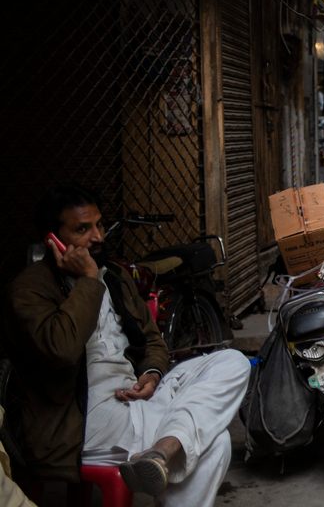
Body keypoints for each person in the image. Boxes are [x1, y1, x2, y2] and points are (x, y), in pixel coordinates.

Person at [8, 185, 249, 505]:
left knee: (232, 361)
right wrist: (88, 282)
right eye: (82, 229)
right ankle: (167, 449)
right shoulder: (29, 289)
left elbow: (152, 340)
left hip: (132, 400)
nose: (97, 237)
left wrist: (150, 374)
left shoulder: (115, 277)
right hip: (80, 422)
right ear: (52, 238)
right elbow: (62, 348)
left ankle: (163, 450)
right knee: (215, 442)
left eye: (99, 225)